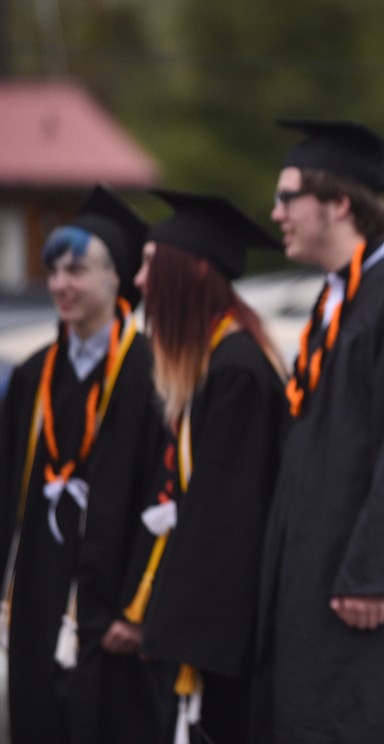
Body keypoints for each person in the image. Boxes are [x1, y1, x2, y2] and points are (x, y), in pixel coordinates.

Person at [254, 119, 384, 743]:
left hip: (366, 598)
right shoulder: (336, 299)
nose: (276, 212)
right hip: (320, 582)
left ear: (339, 203)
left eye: (289, 197)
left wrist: (376, 571)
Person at [0, 186, 167, 744]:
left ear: (117, 275)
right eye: (52, 271)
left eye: (76, 269)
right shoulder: (32, 376)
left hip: (112, 606)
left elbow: (162, 495)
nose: (60, 285)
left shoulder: (151, 376)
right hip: (37, 596)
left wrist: (138, 606)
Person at [123, 189, 287, 744]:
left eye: (150, 265)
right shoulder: (219, 361)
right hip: (217, 635)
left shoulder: (237, 370)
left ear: (192, 270)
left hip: (229, 643)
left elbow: (227, 522)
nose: (141, 282)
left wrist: (177, 631)